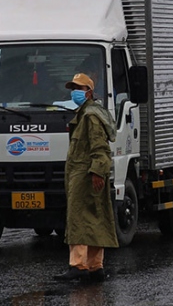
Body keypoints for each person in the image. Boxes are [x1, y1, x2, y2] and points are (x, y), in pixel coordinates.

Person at [54, 73, 119, 282]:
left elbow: (99, 147)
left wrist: (96, 171)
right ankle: (94, 266)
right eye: (73, 87)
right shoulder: (87, 114)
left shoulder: (90, 116)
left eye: (79, 88)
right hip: (86, 173)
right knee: (94, 217)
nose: (74, 92)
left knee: (79, 218)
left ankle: (78, 265)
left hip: (85, 174)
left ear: (89, 92)